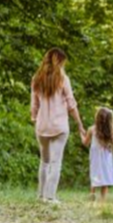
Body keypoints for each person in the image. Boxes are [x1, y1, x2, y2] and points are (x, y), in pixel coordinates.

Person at [31, 47, 85, 204]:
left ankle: (41, 196)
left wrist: (35, 118)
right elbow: (71, 103)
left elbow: (34, 104)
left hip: (42, 126)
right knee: (56, 162)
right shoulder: (62, 78)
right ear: (60, 61)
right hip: (60, 126)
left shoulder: (36, 78)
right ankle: (50, 197)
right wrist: (79, 124)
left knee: (44, 161)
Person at [82, 107, 113, 202]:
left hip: (95, 158)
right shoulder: (111, 132)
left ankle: (92, 193)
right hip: (106, 160)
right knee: (105, 177)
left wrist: (81, 135)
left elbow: (85, 143)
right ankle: (103, 200)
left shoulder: (92, 129)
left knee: (94, 173)